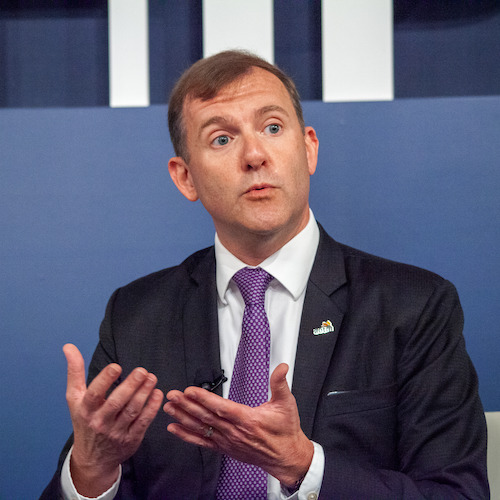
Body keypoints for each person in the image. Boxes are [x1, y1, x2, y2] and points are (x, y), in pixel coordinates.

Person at [41, 50, 489, 499]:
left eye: (272, 128)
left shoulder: (413, 307)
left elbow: (457, 494)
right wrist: (91, 472)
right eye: (222, 139)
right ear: (185, 177)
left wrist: (303, 466)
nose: (255, 155)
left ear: (308, 148)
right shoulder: (136, 316)